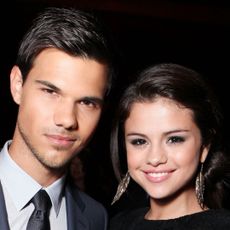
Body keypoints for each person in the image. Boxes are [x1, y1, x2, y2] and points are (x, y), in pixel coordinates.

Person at [0, 6, 115, 230]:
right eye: (50, 92)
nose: (67, 119)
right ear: (17, 86)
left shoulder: (96, 218)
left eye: (86, 102)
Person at [109, 63, 230, 229]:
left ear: (205, 146)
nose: (155, 158)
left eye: (174, 139)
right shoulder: (118, 224)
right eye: (139, 141)